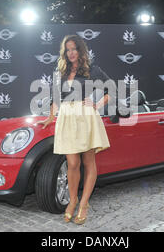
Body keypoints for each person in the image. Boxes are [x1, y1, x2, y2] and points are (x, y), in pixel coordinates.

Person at [36, 35, 115, 225]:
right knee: (72, 163)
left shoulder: (92, 70)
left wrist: (96, 104)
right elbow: (56, 98)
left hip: (85, 116)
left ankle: (84, 203)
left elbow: (112, 89)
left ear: (80, 50)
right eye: (67, 49)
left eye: (74, 49)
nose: (71, 53)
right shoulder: (59, 72)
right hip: (67, 117)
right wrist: (50, 117)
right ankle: (73, 200)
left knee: (88, 161)